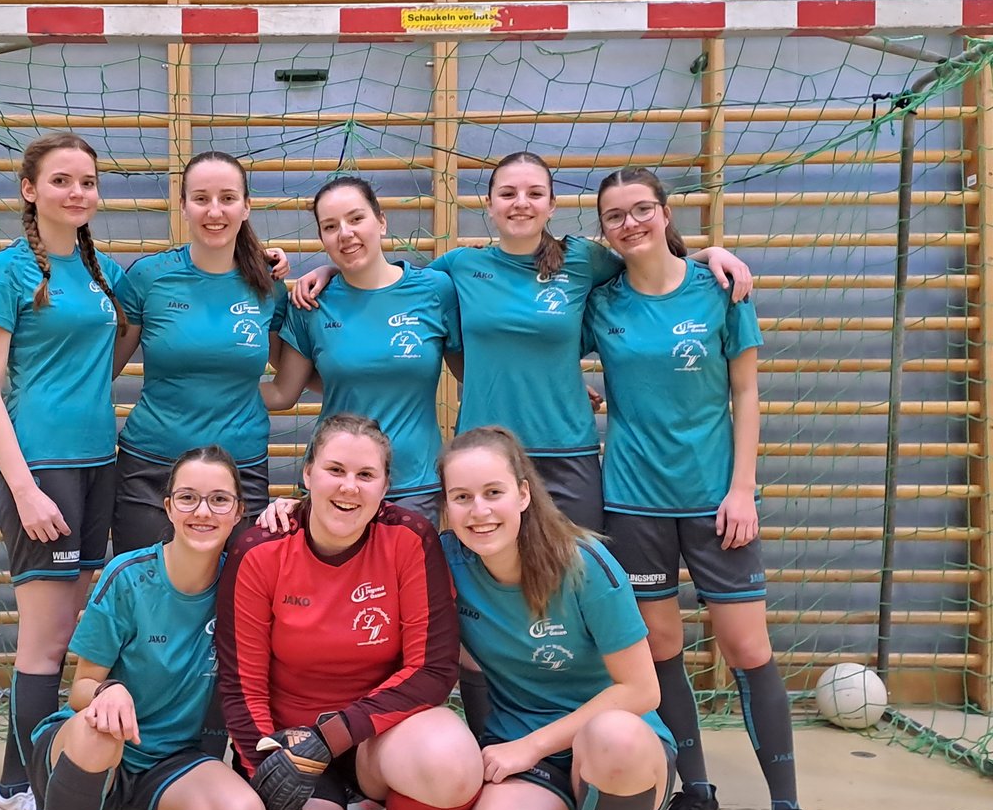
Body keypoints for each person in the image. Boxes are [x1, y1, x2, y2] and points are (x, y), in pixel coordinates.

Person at [291, 151, 751, 532]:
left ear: (552, 205)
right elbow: (387, 288)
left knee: (575, 580)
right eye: (508, 194)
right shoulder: (459, 268)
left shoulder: (582, 259)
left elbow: (648, 268)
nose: (520, 203)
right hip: (484, 452)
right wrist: (331, 271)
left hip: (567, 450)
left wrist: (707, 256)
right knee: (487, 586)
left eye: (534, 193)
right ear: (489, 205)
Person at [584, 166, 828, 810]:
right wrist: (583, 392)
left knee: (747, 647)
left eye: (641, 209)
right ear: (604, 230)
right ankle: (697, 797)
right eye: (615, 216)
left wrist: (743, 488)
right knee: (660, 646)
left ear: (665, 213)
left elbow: (746, 391)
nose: (630, 223)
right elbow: (535, 346)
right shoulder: (601, 301)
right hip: (632, 500)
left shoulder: (719, 288)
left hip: (716, 499)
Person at [0, 446, 268, 810]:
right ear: (168, 507)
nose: (203, 511)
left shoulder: (245, 583)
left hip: (173, 764)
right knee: (99, 734)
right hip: (92, 749)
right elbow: (81, 687)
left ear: (238, 511)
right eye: (188, 498)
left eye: (219, 500)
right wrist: (108, 692)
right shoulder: (129, 576)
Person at [217, 413, 483, 810]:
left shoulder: (408, 538)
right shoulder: (260, 549)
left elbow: (433, 670)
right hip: (290, 753)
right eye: (335, 469)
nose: (348, 487)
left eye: (366, 475)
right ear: (308, 473)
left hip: (374, 740)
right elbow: (241, 685)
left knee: (453, 761)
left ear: (385, 488)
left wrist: (333, 735)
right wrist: (272, 785)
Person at [440, 425, 676, 810]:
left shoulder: (585, 564)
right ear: (447, 506)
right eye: (462, 497)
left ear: (523, 493)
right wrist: (292, 510)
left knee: (612, 736)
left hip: (620, 754)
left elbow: (641, 689)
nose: (479, 511)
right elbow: (365, 536)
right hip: (527, 753)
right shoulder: (448, 560)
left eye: (493, 492)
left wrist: (530, 746)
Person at [0, 132, 131, 810]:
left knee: (67, 635)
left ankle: (11, 791)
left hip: (99, 464)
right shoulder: (8, 270)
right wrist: (25, 485)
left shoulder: (100, 272)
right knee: (44, 642)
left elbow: (119, 342)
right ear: (30, 189)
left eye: (87, 181)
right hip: (44, 469)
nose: (77, 192)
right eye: (61, 180)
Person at [110, 151, 291, 554]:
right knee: (147, 587)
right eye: (201, 198)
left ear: (246, 206)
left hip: (239, 469)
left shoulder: (269, 285)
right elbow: (103, 368)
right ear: (183, 206)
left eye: (227, 198)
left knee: (238, 591)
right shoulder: (149, 278)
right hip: (152, 468)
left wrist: (326, 273)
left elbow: (294, 379)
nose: (214, 211)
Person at [261, 177, 461, 525]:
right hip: (337, 486)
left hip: (413, 487)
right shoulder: (311, 302)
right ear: (322, 237)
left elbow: (475, 373)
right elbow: (283, 392)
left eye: (356, 218)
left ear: (381, 221)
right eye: (330, 226)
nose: (345, 233)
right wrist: (202, 389)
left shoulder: (436, 290)